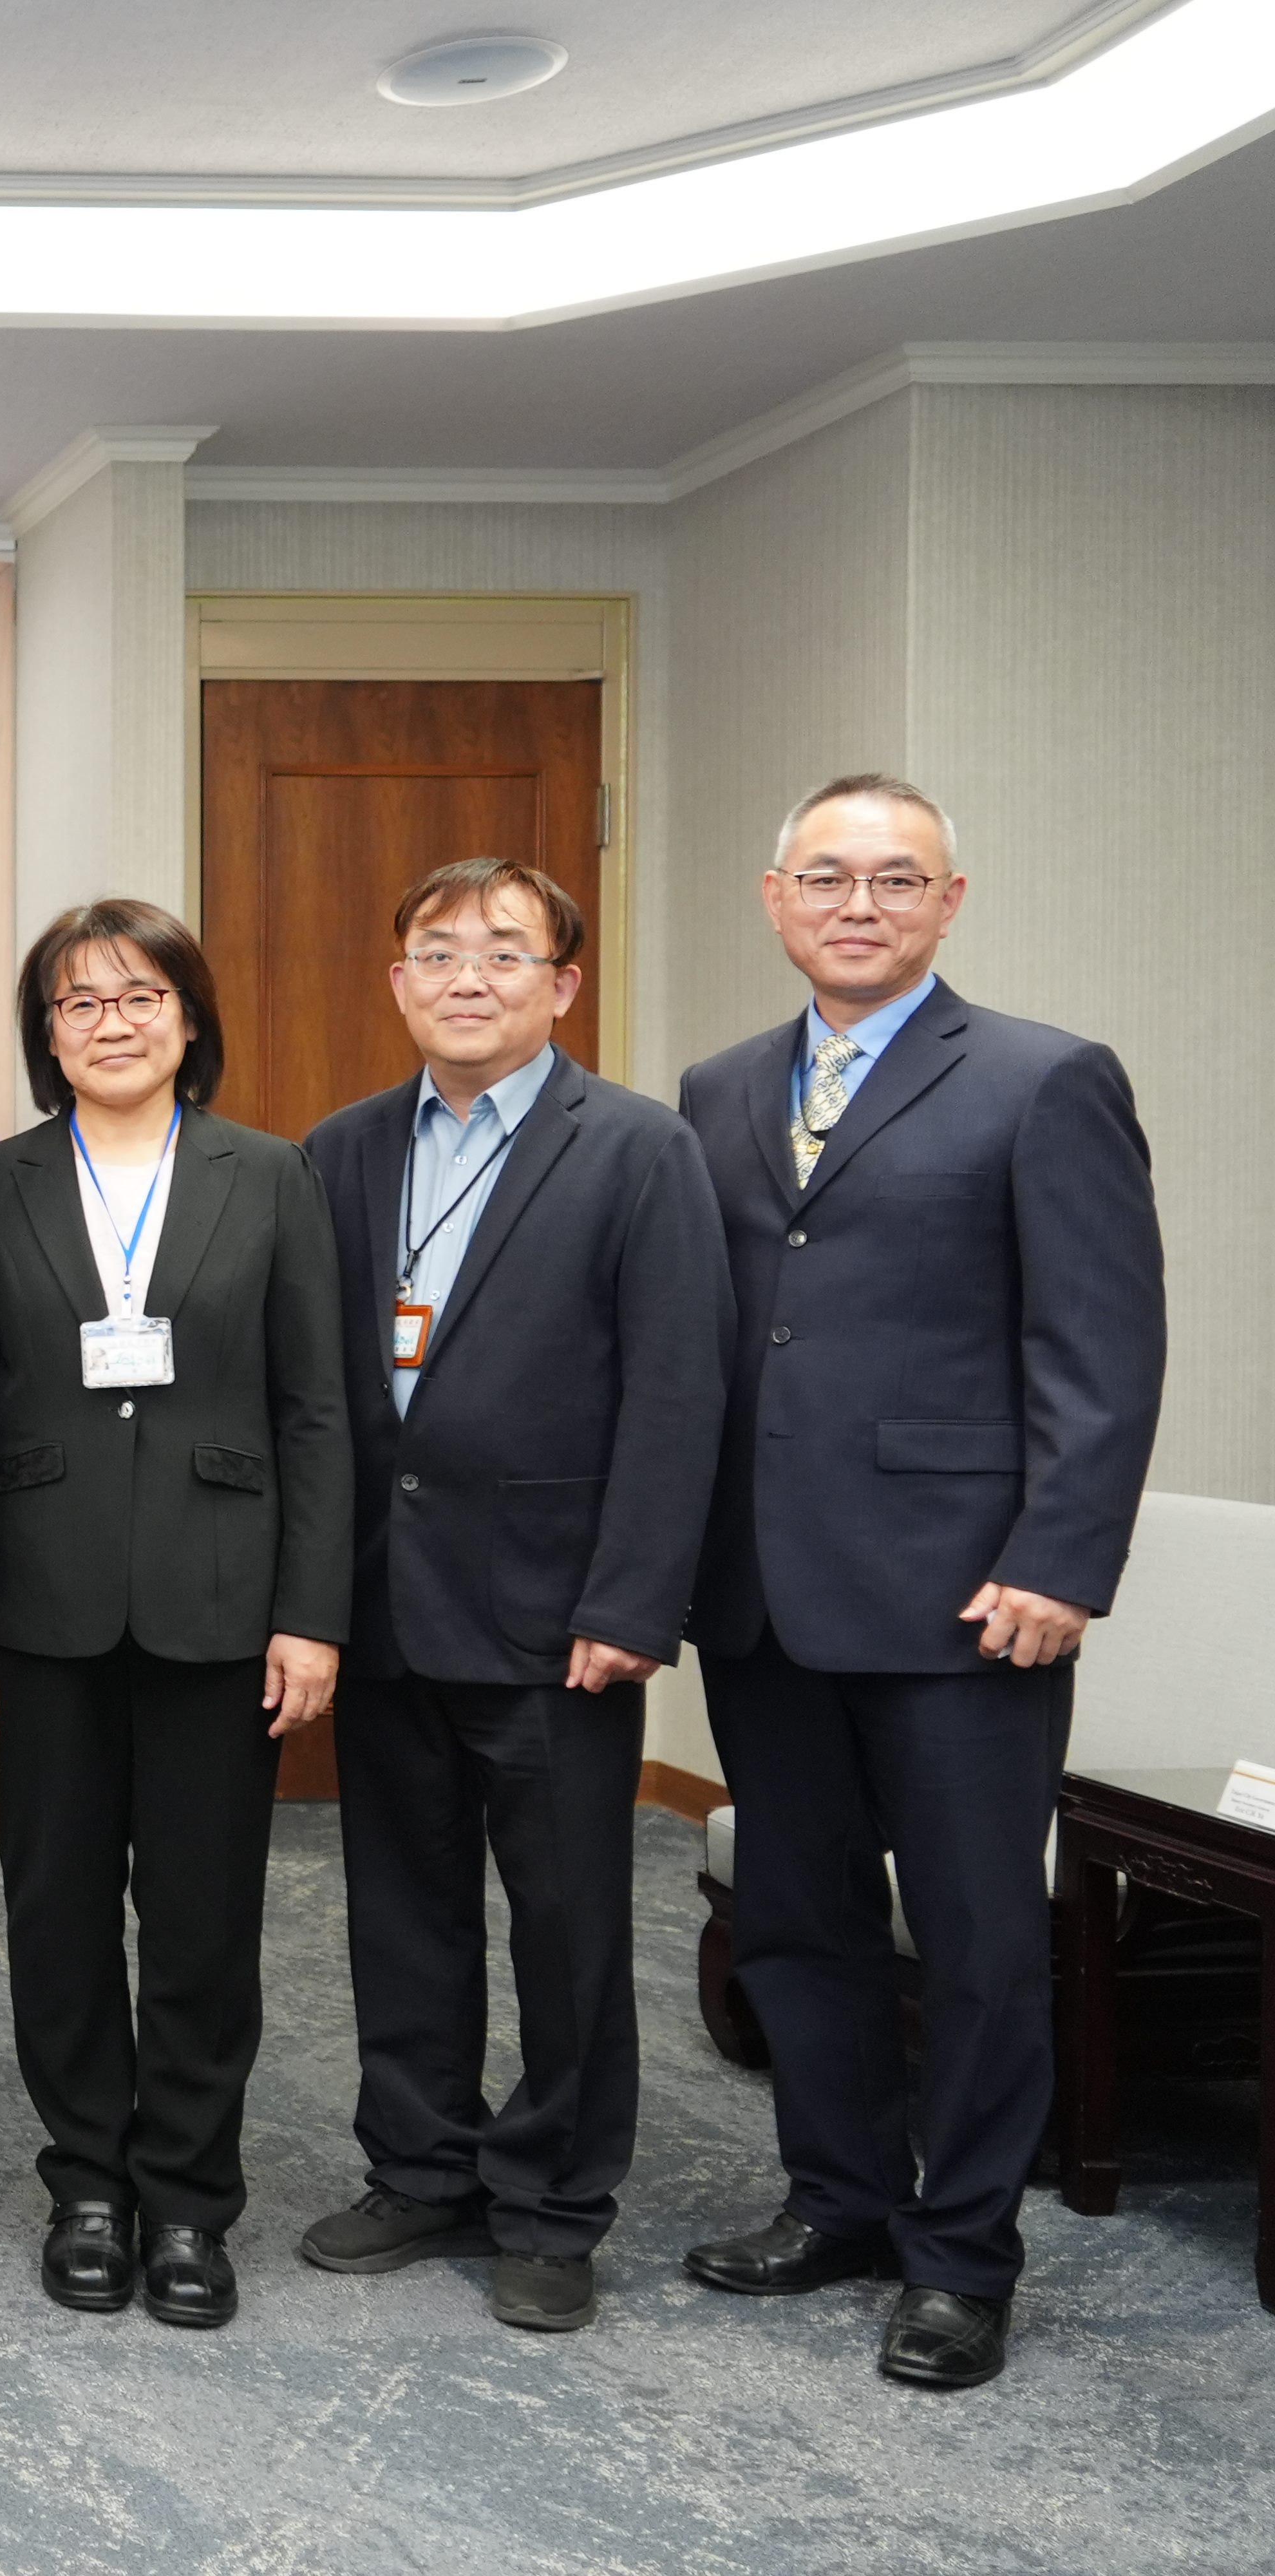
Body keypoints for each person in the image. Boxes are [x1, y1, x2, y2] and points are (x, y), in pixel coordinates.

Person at [675, 775, 1164, 2392]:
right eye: (829, 876)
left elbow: (1099, 1346)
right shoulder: (719, 1086)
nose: (861, 903)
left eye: (898, 879)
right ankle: (839, 2201)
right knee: (799, 1926)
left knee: (970, 1940)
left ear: (953, 900)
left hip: (969, 1599)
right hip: (763, 1593)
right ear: (775, 896)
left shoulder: (1042, 1078)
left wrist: (1061, 1556)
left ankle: (962, 2257)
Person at [296, 860, 730, 2334]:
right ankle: (422, 2164)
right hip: (384, 1598)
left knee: (567, 1923)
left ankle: (552, 2199)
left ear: (562, 982)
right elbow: (318, 1396)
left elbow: (679, 1394)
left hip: (561, 1616)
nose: (465, 975)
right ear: (399, 982)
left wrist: (634, 1599)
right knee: (399, 1908)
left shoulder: (636, 1149)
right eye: (435, 951)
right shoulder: (340, 1151)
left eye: (503, 950)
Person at [0, 898, 350, 2331]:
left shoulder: (273, 1173)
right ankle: (87, 2187)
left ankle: (187, 2198)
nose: (110, 1021)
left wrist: (313, 1613)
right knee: (52, 1911)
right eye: (77, 1001)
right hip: (41, 1601)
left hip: (225, 1598)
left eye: (139, 995)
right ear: (46, 1034)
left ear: (189, 1015)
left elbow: (317, 1408)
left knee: (202, 1918)